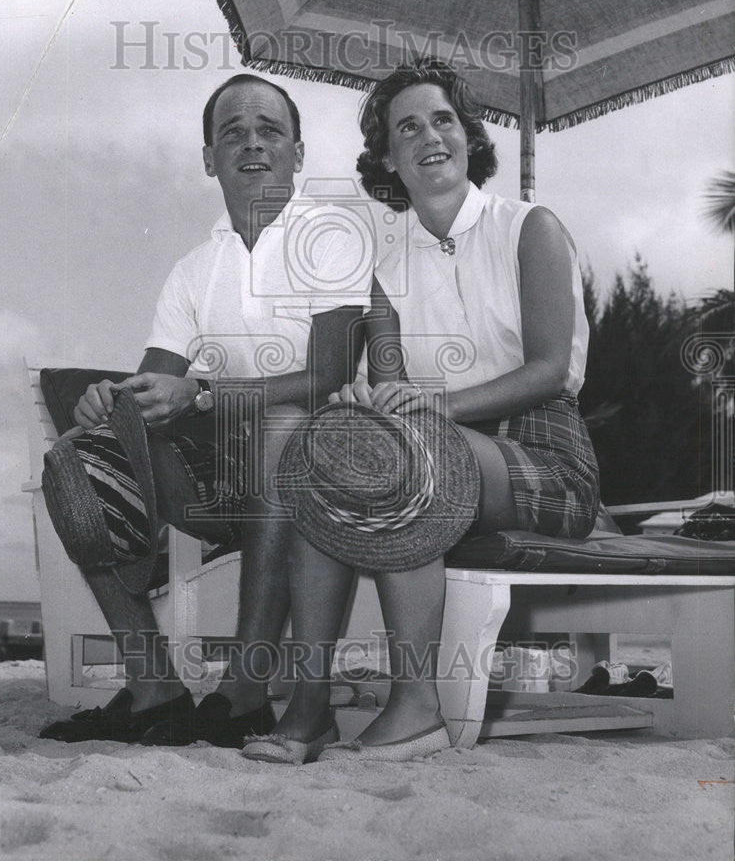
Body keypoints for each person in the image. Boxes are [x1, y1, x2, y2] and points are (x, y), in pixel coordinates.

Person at [242, 58, 600, 764]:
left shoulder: (530, 227)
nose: (428, 135)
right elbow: (389, 385)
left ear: (466, 135)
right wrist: (365, 404)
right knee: (333, 460)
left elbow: (548, 370)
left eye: (441, 119)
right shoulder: (381, 260)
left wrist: (433, 408)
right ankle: (310, 708)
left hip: (544, 455)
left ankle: (416, 706)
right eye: (407, 127)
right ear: (385, 157)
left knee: (406, 460)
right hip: (435, 445)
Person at [39, 74, 371, 746]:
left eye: (269, 130)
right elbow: (156, 384)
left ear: (298, 153)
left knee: (282, 427)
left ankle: (245, 688)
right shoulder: (194, 269)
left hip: (326, 482)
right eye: (232, 132)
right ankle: (154, 686)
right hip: (225, 483)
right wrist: (110, 402)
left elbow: (328, 375)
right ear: (207, 158)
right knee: (76, 457)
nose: (251, 143)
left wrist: (207, 395)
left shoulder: (333, 238)